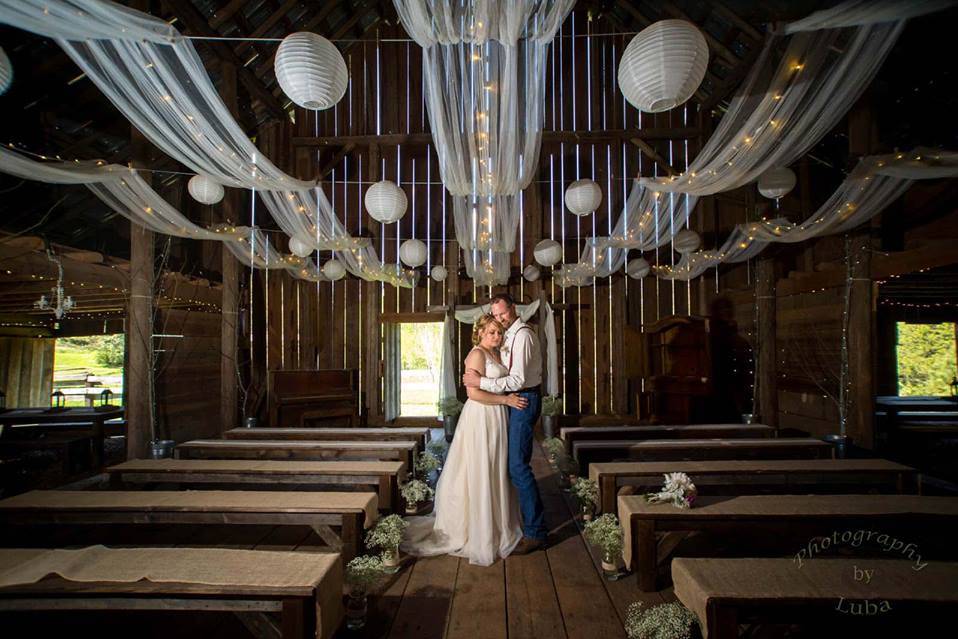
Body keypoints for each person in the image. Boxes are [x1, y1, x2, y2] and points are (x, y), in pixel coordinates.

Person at [401, 315, 528, 567]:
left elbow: (498, 382)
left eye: (499, 332)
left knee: (496, 468)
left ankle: (498, 523)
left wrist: (507, 397)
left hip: (497, 416)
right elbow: (473, 393)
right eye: (491, 332)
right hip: (481, 416)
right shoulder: (477, 355)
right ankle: (478, 529)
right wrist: (506, 400)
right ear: (480, 332)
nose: (496, 336)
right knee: (480, 468)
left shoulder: (496, 354)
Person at [463, 293, 547, 554]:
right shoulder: (505, 336)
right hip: (507, 401)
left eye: (503, 313)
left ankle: (536, 532)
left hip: (521, 397)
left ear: (514, 308)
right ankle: (514, 521)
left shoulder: (521, 334)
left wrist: (482, 383)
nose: (500, 320)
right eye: (496, 316)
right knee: (508, 465)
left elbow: (517, 380)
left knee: (518, 467)